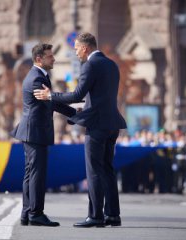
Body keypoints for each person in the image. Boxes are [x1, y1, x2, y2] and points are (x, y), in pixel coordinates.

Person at [34, 33, 127, 227]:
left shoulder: (90, 65)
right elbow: (102, 96)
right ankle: (113, 215)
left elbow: (77, 94)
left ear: (85, 48)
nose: (75, 52)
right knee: (108, 170)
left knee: (93, 171)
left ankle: (95, 216)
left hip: (97, 125)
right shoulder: (112, 64)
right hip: (112, 124)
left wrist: (51, 96)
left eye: (76, 48)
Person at [10, 43, 76, 227]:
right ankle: (36, 213)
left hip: (32, 132)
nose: (53, 58)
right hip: (35, 132)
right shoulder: (37, 79)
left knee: (31, 174)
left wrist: (74, 114)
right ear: (39, 59)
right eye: (50, 56)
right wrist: (75, 110)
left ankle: (27, 213)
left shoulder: (38, 76)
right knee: (36, 174)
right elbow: (51, 102)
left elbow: (51, 102)